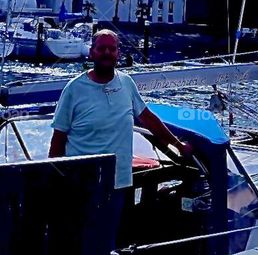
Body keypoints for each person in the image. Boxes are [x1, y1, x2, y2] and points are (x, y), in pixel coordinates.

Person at [49, 28, 193, 241]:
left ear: (118, 53)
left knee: (115, 238)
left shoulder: (127, 83)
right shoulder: (74, 89)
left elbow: (148, 119)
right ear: (92, 53)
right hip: (83, 183)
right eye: (101, 48)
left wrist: (177, 145)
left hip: (120, 182)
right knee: (82, 240)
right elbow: (58, 138)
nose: (107, 53)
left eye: (112, 49)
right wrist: (56, 179)